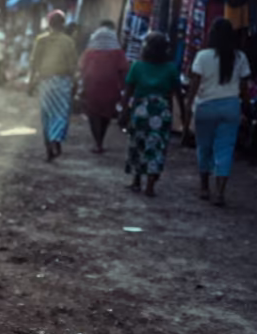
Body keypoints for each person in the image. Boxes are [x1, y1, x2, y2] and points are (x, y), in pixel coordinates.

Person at [186, 18, 252, 207]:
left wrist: (188, 107)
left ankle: (204, 188)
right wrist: (247, 107)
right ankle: (220, 193)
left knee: (204, 148)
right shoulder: (240, 57)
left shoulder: (202, 56)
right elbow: (244, 87)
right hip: (231, 107)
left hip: (205, 107)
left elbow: (194, 85)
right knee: (225, 149)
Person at [121, 32, 180, 196]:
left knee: (137, 145)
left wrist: (123, 112)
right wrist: (182, 115)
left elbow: (128, 92)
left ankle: (136, 181)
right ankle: (150, 186)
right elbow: (178, 93)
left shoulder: (137, 66)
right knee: (156, 148)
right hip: (161, 113)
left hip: (141, 111)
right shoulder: (170, 69)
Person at [29, 10, 78, 160]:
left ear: (49, 24)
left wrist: (31, 82)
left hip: (45, 81)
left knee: (46, 115)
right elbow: (72, 65)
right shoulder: (68, 41)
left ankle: (48, 147)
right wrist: (74, 83)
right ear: (63, 24)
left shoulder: (41, 40)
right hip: (62, 82)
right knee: (61, 114)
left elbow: (34, 63)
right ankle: (55, 139)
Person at [77, 20, 129, 153]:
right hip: (111, 87)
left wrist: (81, 85)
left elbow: (82, 68)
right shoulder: (118, 52)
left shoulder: (90, 52)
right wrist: (123, 89)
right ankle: (100, 140)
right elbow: (123, 70)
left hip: (92, 86)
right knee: (106, 114)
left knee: (93, 114)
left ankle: (97, 142)